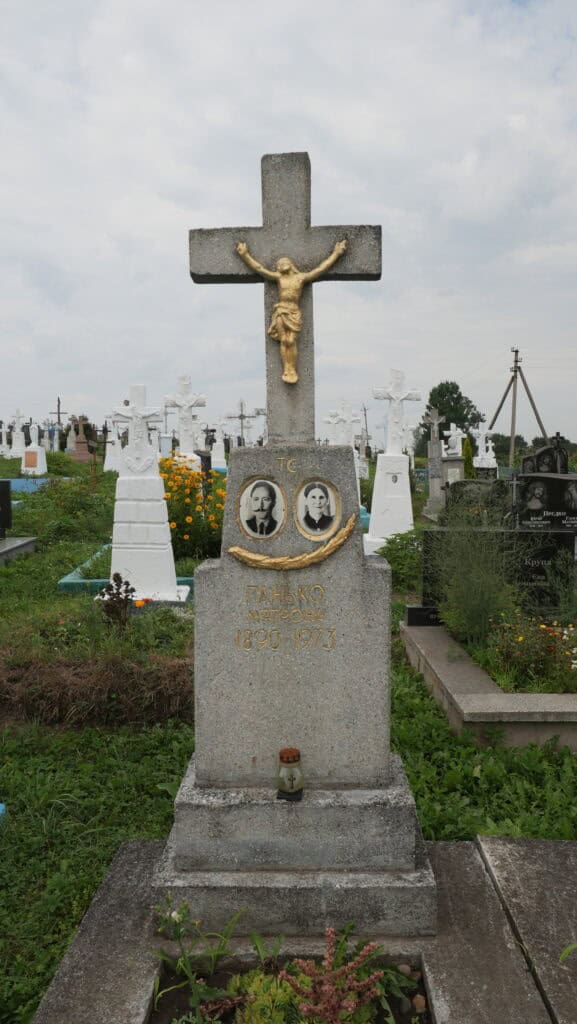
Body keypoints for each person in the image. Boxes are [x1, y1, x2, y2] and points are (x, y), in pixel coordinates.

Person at [236, 239, 348, 384]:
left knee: (291, 340)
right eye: (279, 264)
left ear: (290, 264)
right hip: (281, 310)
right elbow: (260, 269)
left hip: (294, 311)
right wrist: (245, 255)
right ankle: (286, 369)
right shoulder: (279, 278)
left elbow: (320, 269)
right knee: (283, 340)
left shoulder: (300, 278)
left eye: (283, 262)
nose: (281, 264)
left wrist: (336, 254)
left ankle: (293, 368)